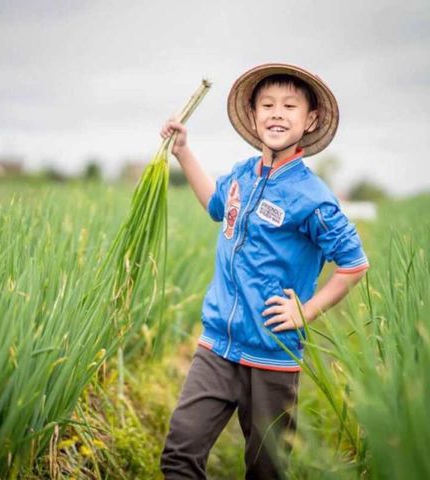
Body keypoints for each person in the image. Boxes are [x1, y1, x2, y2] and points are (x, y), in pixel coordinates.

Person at [159, 63, 370, 480]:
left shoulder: (313, 198)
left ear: (310, 120)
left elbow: (354, 264)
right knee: (179, 454)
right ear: (254, 116)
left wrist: (304, 312)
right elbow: (215, 206)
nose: (277, 112)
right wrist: (183, 150)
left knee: (266, 469)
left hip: (273, 355)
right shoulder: (240, 175)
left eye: (290, 106)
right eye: (268, 105)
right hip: (217, 343)